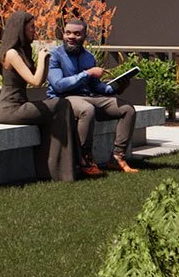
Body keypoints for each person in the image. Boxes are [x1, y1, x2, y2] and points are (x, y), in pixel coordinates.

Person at [0, 11, 77, 182]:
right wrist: (41, 59)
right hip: (9, 109)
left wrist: (44, 62)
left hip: (20, 106)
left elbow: (41, 79)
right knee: (61, 105)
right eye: (31, 28)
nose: (34, 31)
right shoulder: (11, 54)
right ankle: (62, 170)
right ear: (20, 29)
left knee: (58, 107)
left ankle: (57, 168)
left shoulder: (22, 51)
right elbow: (35, 82)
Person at [47, 18, 138, 176]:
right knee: (87, 109)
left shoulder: (89, 57)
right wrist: (87, 73)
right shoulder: (54, 56)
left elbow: (96, 87)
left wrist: (116, 86)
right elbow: (59, 85)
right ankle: (85, 160)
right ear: (63, 34)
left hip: (87, 96)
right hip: (62, 99)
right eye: (68, 33)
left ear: (84, 36)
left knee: (127, 109)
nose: (71, 37)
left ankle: (117, 157)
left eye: (76, 34)